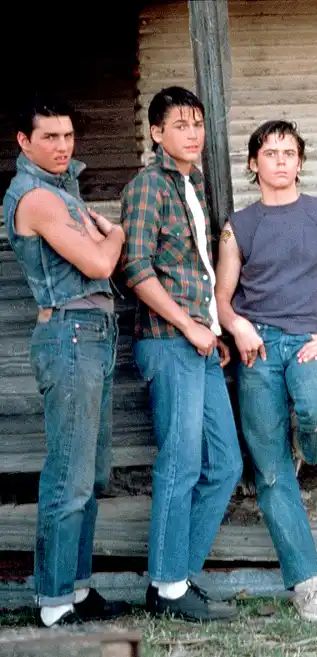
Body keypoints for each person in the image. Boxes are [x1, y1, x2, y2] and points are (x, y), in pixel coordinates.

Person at [214, 119, 317, 621]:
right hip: (256, 349)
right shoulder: (239, 224)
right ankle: (307, 585)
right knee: (272, 473)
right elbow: (221, 297)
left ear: (300, 162)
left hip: (307, 342)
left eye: (289, 153)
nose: (280, 161)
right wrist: (237, 326)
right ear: (254, 164)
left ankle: (311, 445)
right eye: (270, 152)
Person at [4, 95, 130, 627]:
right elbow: (101, 258)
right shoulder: (36, 198)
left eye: (68, 136)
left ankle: (76, 589)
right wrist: (117, 232)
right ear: (24, 142)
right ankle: (53, 601)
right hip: (69, 334)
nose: (62, 146)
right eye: (49, 137)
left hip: (94, 330)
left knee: (93, 473)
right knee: (69, 476)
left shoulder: (62, 189)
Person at [120, 86, 242, 620]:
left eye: (198, 124)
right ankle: (169, 586)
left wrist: (209, 332)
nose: (192, 133)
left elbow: (197, 272)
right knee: (181, 464)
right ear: (156, 133)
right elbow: (136, 271)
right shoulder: (149, 187)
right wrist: (190, 327)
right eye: (180, 124)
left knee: (226, 464)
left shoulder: (192, 187)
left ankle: (175, 577)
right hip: (169, 344)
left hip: (198, 343)